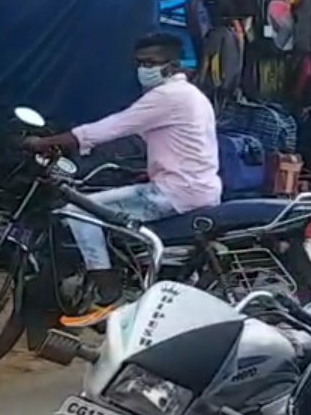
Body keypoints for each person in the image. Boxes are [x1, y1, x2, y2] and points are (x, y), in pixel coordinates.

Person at [23, 32, 221, 312]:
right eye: (140, 63)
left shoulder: (168, 96)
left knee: (78, 211)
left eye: (151, 62)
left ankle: (105, 282)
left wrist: (47, 142)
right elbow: (150, 135)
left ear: (171, 64)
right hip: (194, 187)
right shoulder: (190, 95)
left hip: (174, 192)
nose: (144, 69)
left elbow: (115, 126)